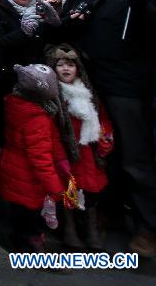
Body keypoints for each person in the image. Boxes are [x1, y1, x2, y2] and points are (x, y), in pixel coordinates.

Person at [58, 0, 156, 257]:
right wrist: (70, 22)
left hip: (129, 88)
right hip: (91, 87)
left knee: (136, 158)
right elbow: (67, 31)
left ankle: (149, 227)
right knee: (100, 154)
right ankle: (108, 211)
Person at [0, 0, 60, 205]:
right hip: (5, 85)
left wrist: (53, 23)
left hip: (36, 89)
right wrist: (23, 32)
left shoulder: (40, 9)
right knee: (7, 143)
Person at [0, 64, 73, 253]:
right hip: (28, 179)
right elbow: (41, 159)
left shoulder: (17, 103)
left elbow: (52, 138)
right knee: (30, 219)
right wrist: (55, 188)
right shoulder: (37, 119)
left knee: (19, 214)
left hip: (13, 169)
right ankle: (30, 246)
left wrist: (61, 158)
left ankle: (20, 240)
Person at [46, 43, 113, 250]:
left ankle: (91, 230)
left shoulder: (88, 92)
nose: (66, 69)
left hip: (88, 152)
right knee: (69, 190)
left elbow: (101, 117)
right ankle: (69, 229)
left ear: (78, 68)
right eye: (60, 65)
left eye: (70, 65)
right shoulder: (54, 96)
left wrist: (105, 138)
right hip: (66, 154)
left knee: (89, 192)